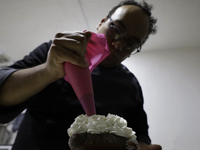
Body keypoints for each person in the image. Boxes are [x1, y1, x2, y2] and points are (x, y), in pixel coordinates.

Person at [0, 0, 162, 149]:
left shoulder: (131, 85)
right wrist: (48, 71)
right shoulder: (56, 52)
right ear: (102, 22)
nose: (118, 44)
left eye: (131, 44)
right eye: (116, 30)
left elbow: (140, 136)